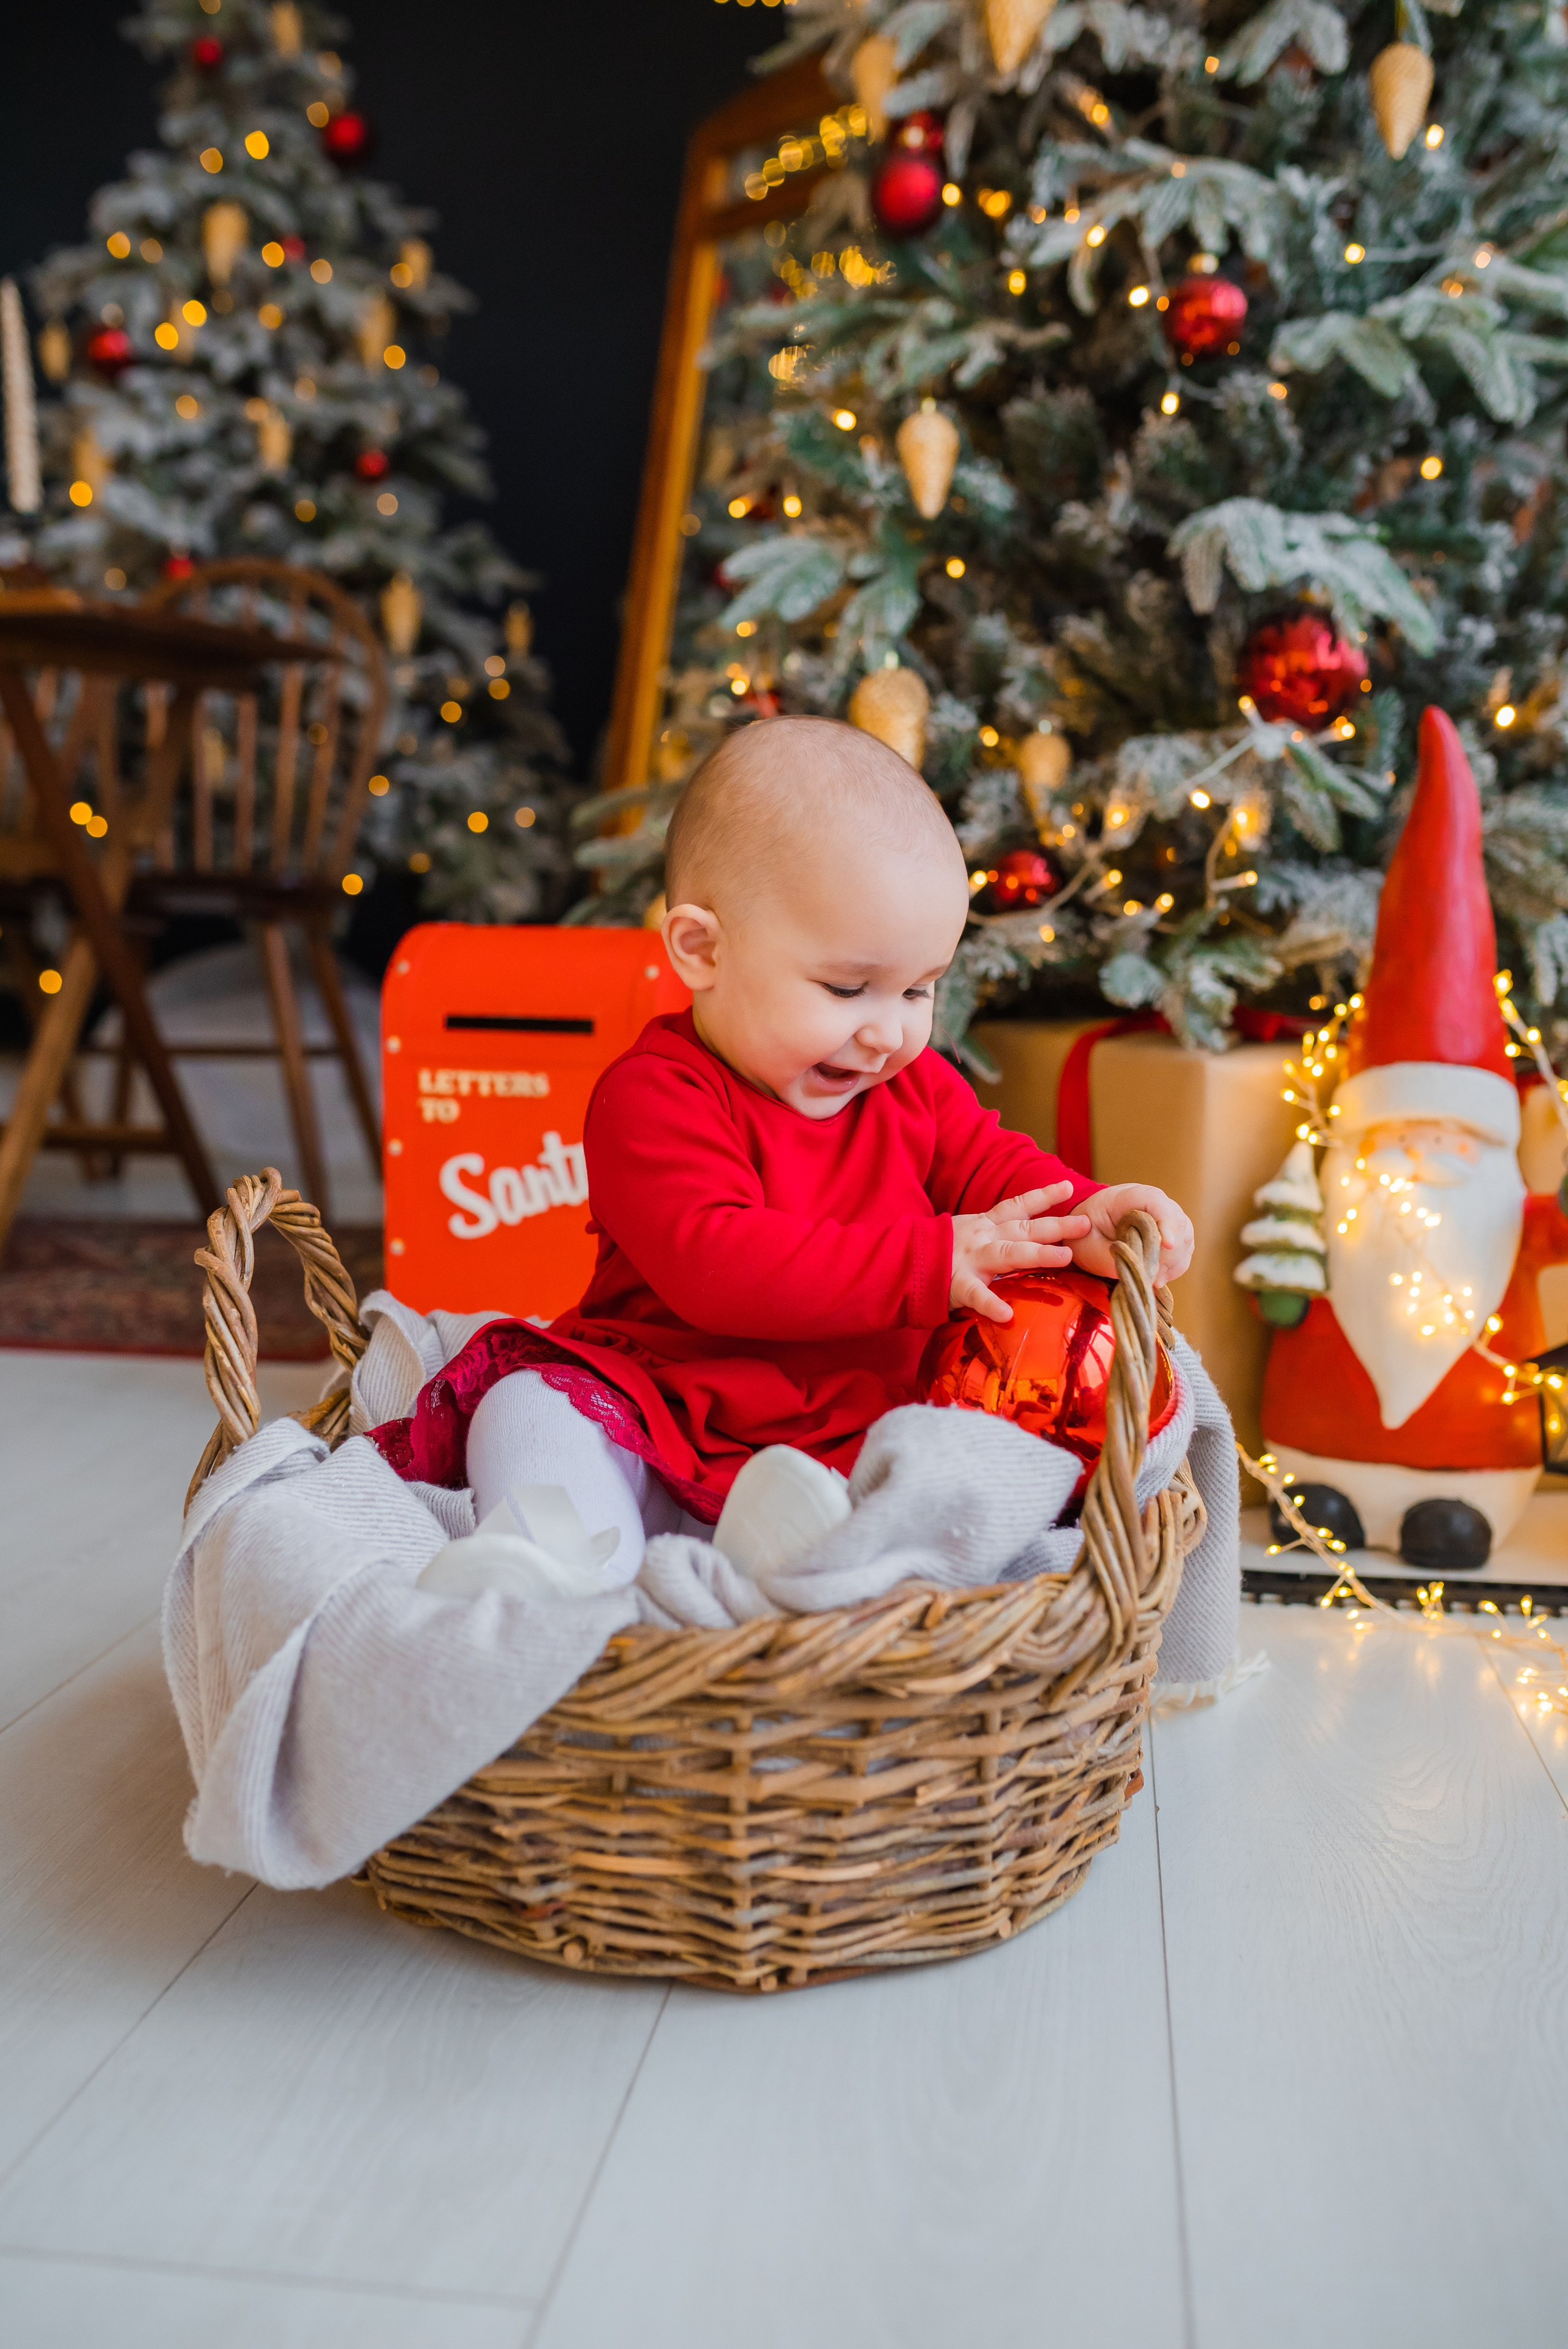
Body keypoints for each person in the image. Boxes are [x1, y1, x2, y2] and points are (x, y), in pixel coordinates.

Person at [374, 714, 1194, 1575]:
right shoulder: (653, 1096)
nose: (887, 1033)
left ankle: (808, 1557)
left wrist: (1091, 1216)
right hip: (663, 1406)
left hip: (851, 1429)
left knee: (954, 1460)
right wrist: (929, 1262)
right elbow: (717, 1263)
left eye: (919, 991)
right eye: (846, 988)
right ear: (702, 951)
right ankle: (564, 1569)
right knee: (529, 1406)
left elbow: (998, 1171)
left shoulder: (910, 1085)